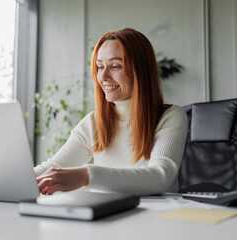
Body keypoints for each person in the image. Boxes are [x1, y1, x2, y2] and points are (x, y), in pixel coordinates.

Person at [34, 28, 188, 196]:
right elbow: (52, 169)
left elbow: (160, 177)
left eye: (115, 66)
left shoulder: (170, 117)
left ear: (140, 70)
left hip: (154, 218)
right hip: (107, 217)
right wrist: (10, 180)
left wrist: (87, 176)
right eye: (100, 66)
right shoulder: (93, 123)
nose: (103, 76)